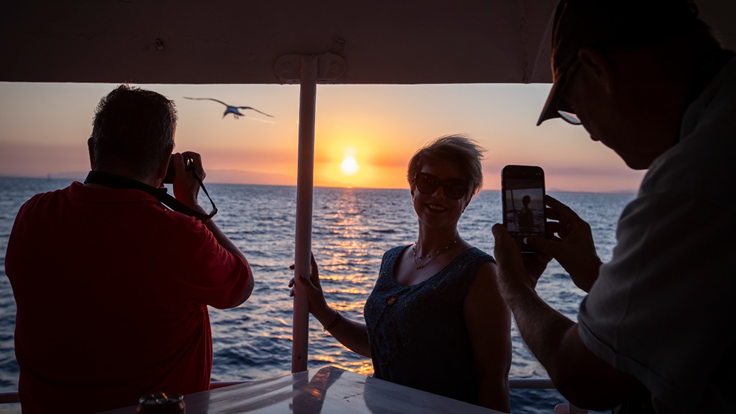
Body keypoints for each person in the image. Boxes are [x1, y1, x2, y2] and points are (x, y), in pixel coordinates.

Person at [491, 0, 735, 412]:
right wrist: (593, 273)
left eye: (572, 108)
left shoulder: (694, 177)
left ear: (596, 68)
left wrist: (513, 286)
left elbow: (586, 376)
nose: (589, 133)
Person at [5, 85, 254, 413]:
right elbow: (241, 285)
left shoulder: (33, 215)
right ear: (166, 161)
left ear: (93, 149)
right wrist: (190, 203)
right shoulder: (179, 237)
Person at [290, 136, 511, 412]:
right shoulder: (392, 259)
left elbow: (494, 379)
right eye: (428, 183)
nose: (439, 195)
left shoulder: (480, 273)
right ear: (412, 189)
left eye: (454, 187)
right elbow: (383, 347)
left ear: (467, 199)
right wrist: (322, 310)